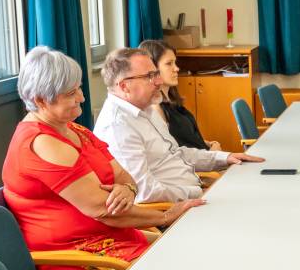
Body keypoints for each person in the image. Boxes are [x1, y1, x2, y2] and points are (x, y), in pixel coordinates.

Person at [2, 46, 204, 270]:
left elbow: (123, 176)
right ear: (42, 100)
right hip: (79, 260)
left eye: (79, 88)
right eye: (71, 93)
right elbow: (104, 210)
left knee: (194, 248)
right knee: (184, 269)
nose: (81, 97)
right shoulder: (43, 143)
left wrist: (127, 188)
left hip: (113, 240)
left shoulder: (75, 130)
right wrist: (164, 217)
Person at [93, 48, 264, 203]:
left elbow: (177, 153)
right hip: (174, 210)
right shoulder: (118, 127)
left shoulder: (146, 109)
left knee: (257, 189)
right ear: (124, 86)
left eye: (156, 73)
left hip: (192, 194)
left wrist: (224, 158)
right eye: (149, 76)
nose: (159, 81)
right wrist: (199, 193)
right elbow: (145, 192)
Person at [137, 39, 220, 151]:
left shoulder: (172, 101)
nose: (176, 68)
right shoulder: (156, 108)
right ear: (153, 68)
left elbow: (183, 139)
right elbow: (170, 150)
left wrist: (206, 144)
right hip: (198, 161)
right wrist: (212, 154)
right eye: (169, 64)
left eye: (175, 63)